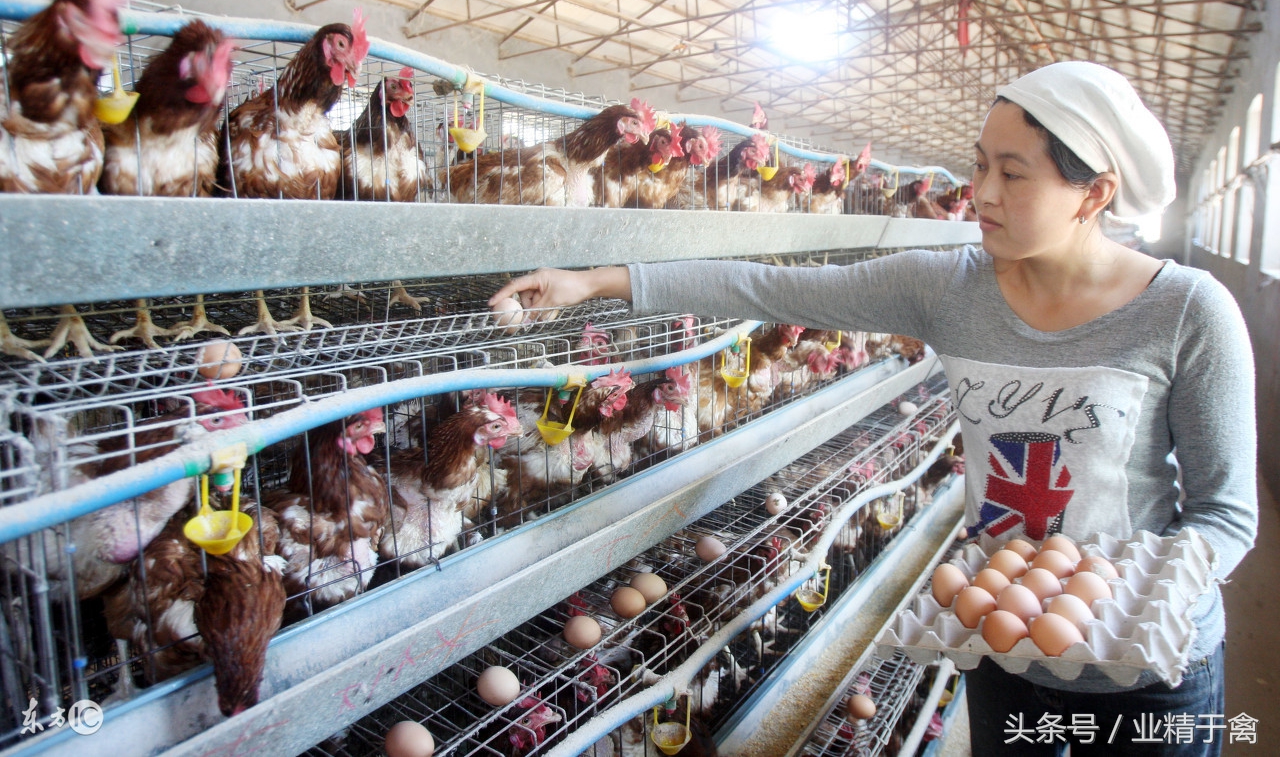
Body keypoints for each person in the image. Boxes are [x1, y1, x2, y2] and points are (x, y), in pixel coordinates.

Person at [489, 61, 1257, 756]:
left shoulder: (1187, 311)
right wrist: (597, 282)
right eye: (981, 165)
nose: (983, 193)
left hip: (1146, 671)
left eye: (1013, 174)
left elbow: (1225, 514)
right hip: (1004, 650)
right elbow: (771, 287)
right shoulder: (950, 287)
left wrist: (1126, 597)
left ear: (1094, 193)